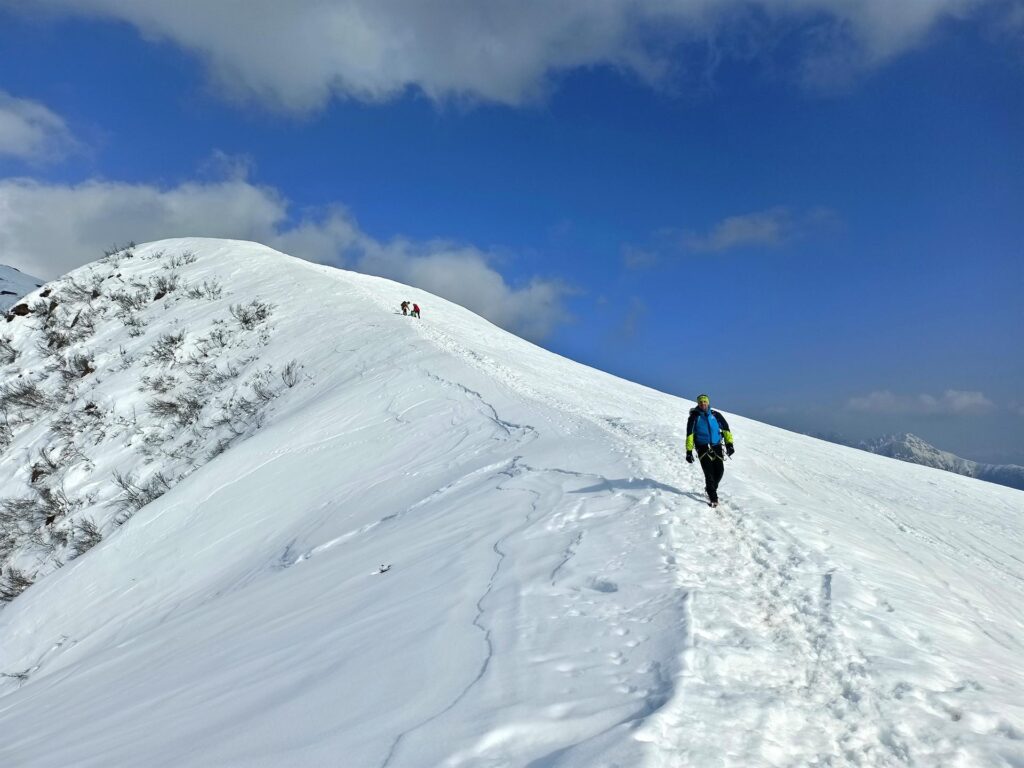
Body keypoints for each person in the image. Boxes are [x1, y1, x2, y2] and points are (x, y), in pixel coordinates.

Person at [685, 393, 735, 507]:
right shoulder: (694, 417)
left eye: (705, 401)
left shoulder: (716, 415)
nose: (703, 404)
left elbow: (726, 429)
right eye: (701, 402)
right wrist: (689, 451)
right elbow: (690, 435)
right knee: (709, 473)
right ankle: (713, 498)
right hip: (702, 447)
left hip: (716, 446)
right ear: (698, 403)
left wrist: (729, 444)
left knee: (720, 471)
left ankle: (710, 488)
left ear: (708, 402)